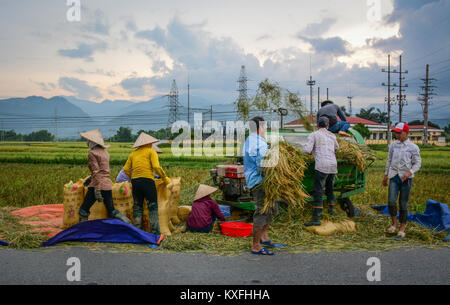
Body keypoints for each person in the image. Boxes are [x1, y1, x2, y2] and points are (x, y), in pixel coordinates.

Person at [78, 129, 131, 224]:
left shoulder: (92, 153)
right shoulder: (105, 152)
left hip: (96, 185)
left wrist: (97, 189)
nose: (86, 142)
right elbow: (103, 171)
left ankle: (82, 231)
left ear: (92, 142)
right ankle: (126, 222)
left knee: (83, 210)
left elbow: (96, 171)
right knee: (111, 210)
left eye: (87, 141)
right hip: (107, 184)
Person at [244, 116, 278, 256]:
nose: (266, 130)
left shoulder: (250, 139)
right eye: (264, 127)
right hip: (260, 181)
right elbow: (263, 165)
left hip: (254, 179)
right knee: (262, 211)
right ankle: (256, 245)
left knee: (270, 207)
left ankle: (264, 237)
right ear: (260, 128)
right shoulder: (259, 143)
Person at [124, 132, 171, 234]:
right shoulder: (151, 151)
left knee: (137, 207)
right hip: (147, 181)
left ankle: (138, 232)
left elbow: (126, 169)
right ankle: (155, 233)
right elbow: (156, 167)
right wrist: (165, 178)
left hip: (135, 182)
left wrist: (133, 178)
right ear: (149, 143)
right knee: (153, 206)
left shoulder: (133, 154)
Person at [383, 122, 421, 239]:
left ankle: (402, 229)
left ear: (406, 133)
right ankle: (394, 224)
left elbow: (417, 163)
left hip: (406, 179)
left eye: (399, 133)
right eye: (396, 133)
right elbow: (389, 161)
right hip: (394, 176)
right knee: (391, 201)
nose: (397, 135)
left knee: (403, 203)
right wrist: (385, 175)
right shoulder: (393, 146)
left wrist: (409, 172)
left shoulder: (413, 147)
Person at [302, 116, 339, 226]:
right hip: (333, 165)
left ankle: (316, 219)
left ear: (317, 125)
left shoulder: (314, 135)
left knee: (318, 191)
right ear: (328, 126)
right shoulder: (332, 135)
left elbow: (307, 150)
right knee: (330, 189)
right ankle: (332, 214)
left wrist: (303, 150)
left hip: (322, 165)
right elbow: (337, 148)